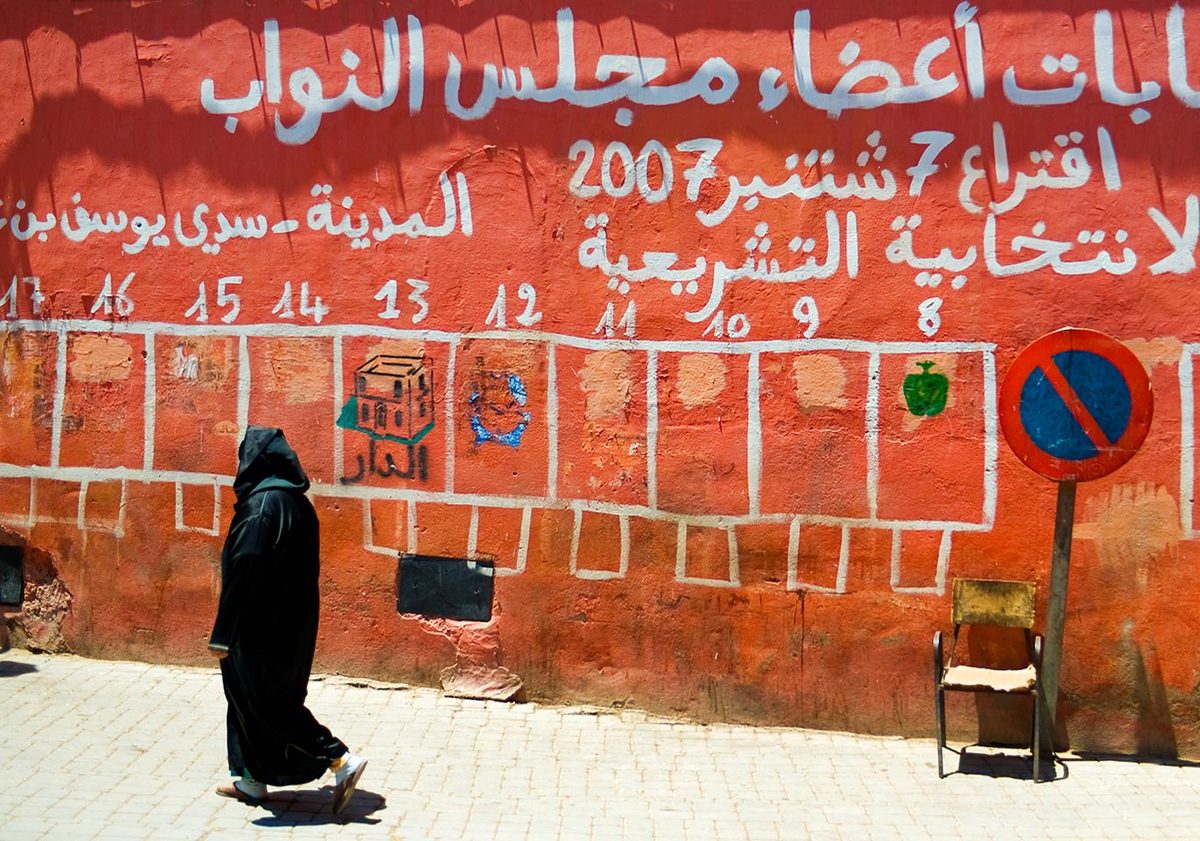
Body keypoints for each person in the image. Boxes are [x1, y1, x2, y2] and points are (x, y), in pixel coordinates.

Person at [209, 426, 367, 814]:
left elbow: (246, 567)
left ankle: (339, 758)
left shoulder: (262, 508)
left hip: (257, 626)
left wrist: (224, 633)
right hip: (292, 624)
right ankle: (251, 778)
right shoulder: (298, 504)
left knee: (268, 704)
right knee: (246, 699)